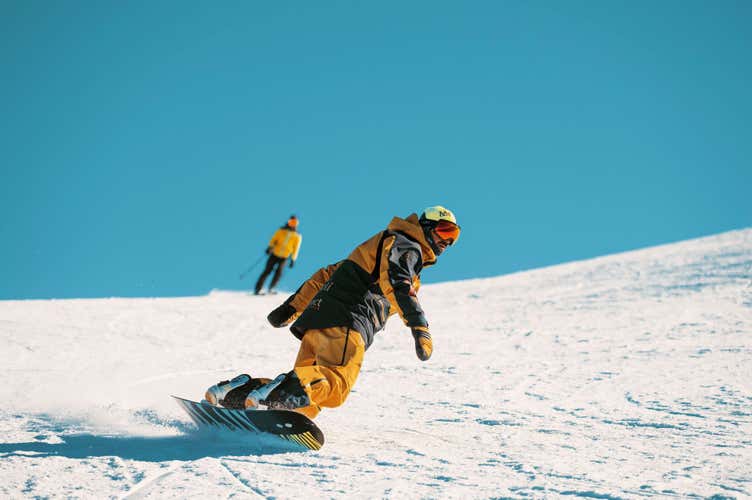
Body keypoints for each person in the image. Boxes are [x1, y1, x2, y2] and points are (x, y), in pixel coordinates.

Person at [206, 206, 460, 419]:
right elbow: (398, 284)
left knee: (306, 402)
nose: (448, 241)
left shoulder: (381, 244)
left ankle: (236, 393)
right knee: (336, 384)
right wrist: (420, 326)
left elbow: (328, 274)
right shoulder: (406, 246)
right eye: (445, 231)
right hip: (348, 320)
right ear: (426, 226)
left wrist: (293, 306)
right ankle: (270, 394)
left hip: (319, 321)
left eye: (454, 236)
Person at [254, 215, 302, 295]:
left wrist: (293, 259)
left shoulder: (297, 235)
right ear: (288, 222)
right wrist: (270, 247)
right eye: (291, 222)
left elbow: (296, 248)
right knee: (267, 271)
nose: (292, 224)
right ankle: (258, 289)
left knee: (279, 272)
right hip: (275, 254)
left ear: (297, 224)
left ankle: (271, 288)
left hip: (284, 257)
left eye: (294, 223)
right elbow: (273, 239)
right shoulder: (281, 230)